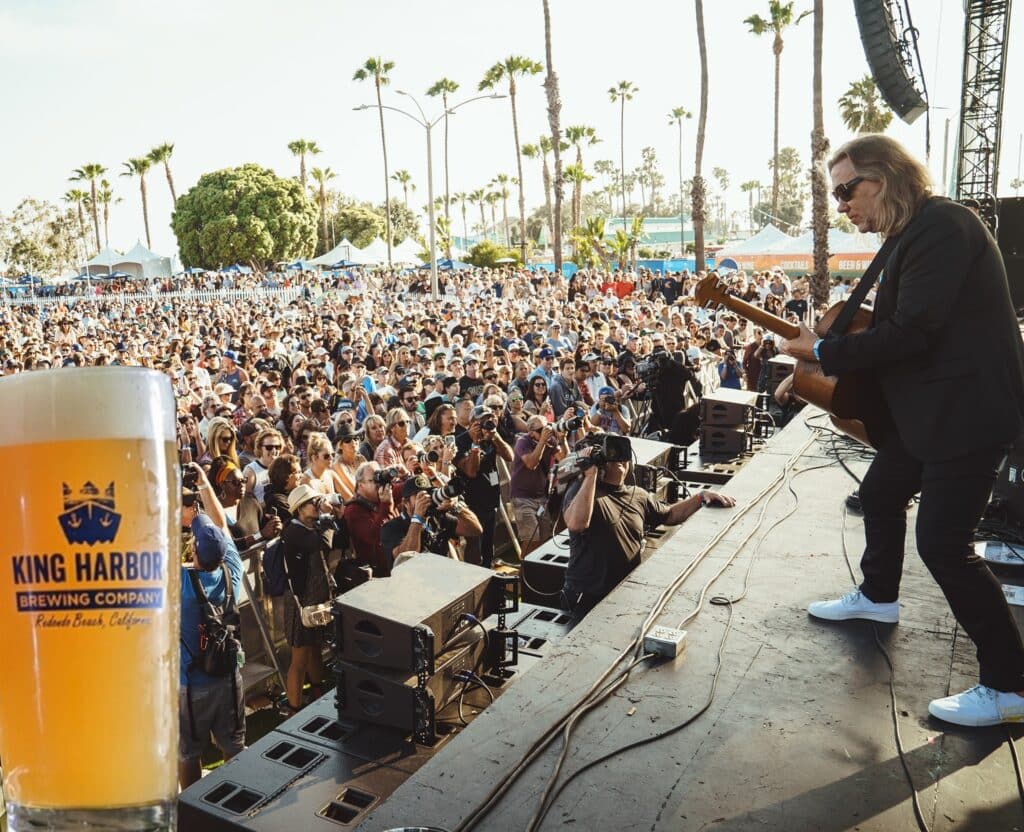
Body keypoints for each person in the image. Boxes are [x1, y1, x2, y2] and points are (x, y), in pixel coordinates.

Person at [779, 133, 1024, 728]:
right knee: (882, 494)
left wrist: (827, 352)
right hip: (928, 416)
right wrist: (824, 359)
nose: (840, 205)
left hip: (964, 416)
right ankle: (879, 597)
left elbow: (914, 332)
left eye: (846, 190)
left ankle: (1010, 685)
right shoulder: (908, 235)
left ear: (886, 177)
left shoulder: (943, 227)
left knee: (943, 544)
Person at [561, 437, 734, 618]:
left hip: (622, 594)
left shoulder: (638, 495)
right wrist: (590, 475)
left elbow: (670, 515)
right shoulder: (583, 491)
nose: (620, 459)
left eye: (623, 455)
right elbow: (576, 524)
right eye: (612, 454)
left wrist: (700, 497)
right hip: (586, 595)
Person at [178, 464, 245, 789]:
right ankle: (233, 810)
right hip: (228, 677)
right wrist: (204, 484)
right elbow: (222, 526)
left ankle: (191, 815)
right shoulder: (232, 571)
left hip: (190, 685)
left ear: (193, 549)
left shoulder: (180, 583)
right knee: (234, 747)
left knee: (189, 754)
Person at [279, 484, 341, 713]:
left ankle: (317, 694)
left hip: (316, 600)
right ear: (299, 509)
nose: (316, 505)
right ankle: (294, 709)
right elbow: (323, 543)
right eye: (311, 503)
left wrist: (333, 517)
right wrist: (325, 516)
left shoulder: (309, 526)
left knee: (315, 649)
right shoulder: (294, 530)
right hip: (301, 602)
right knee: (299, 660)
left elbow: (337, 538)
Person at [454, 405, 514, 568]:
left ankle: (489, 575)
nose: (486, 424)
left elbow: (509, 456)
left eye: (489, 419)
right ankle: (474, 579)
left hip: (491, 499)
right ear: (473, 423)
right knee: (475, 546)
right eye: (482, 421)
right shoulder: (461, 440)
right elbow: (471, 472)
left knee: (489, 546)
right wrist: (475, 444)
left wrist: (496, 438)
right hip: (472, 501)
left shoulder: (491, 436)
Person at [380, 474, 483, 565]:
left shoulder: (436, 517)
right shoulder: (391, 527)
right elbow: (405, 558)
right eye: (419, 496)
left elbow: (475, 530)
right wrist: (418, 518)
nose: (426, 498)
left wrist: (455, 507)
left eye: (428, 493)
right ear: (406, 503)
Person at [510, 416, 568, 554]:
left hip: (541, 497)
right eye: (541, 430)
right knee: (531, 539)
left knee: (543, 538)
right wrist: (542, 442)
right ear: (530, 431)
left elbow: (565, 459)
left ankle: (534, 571)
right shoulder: (522, 442)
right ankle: (523, 572)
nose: (545, 432)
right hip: (522, 497)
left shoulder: (550, 441)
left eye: (547, 427)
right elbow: (531, 464)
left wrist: (562, 439)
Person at [343, 461, 397, 577]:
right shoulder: (354, 509)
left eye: (380, 478)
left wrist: (405, 475)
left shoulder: (380, 496)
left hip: (394, 567)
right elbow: (374, 537)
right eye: (374, 480)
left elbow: (407, 490)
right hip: (376, 576)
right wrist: (386, 505)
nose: (379, 484)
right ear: (360, 484)